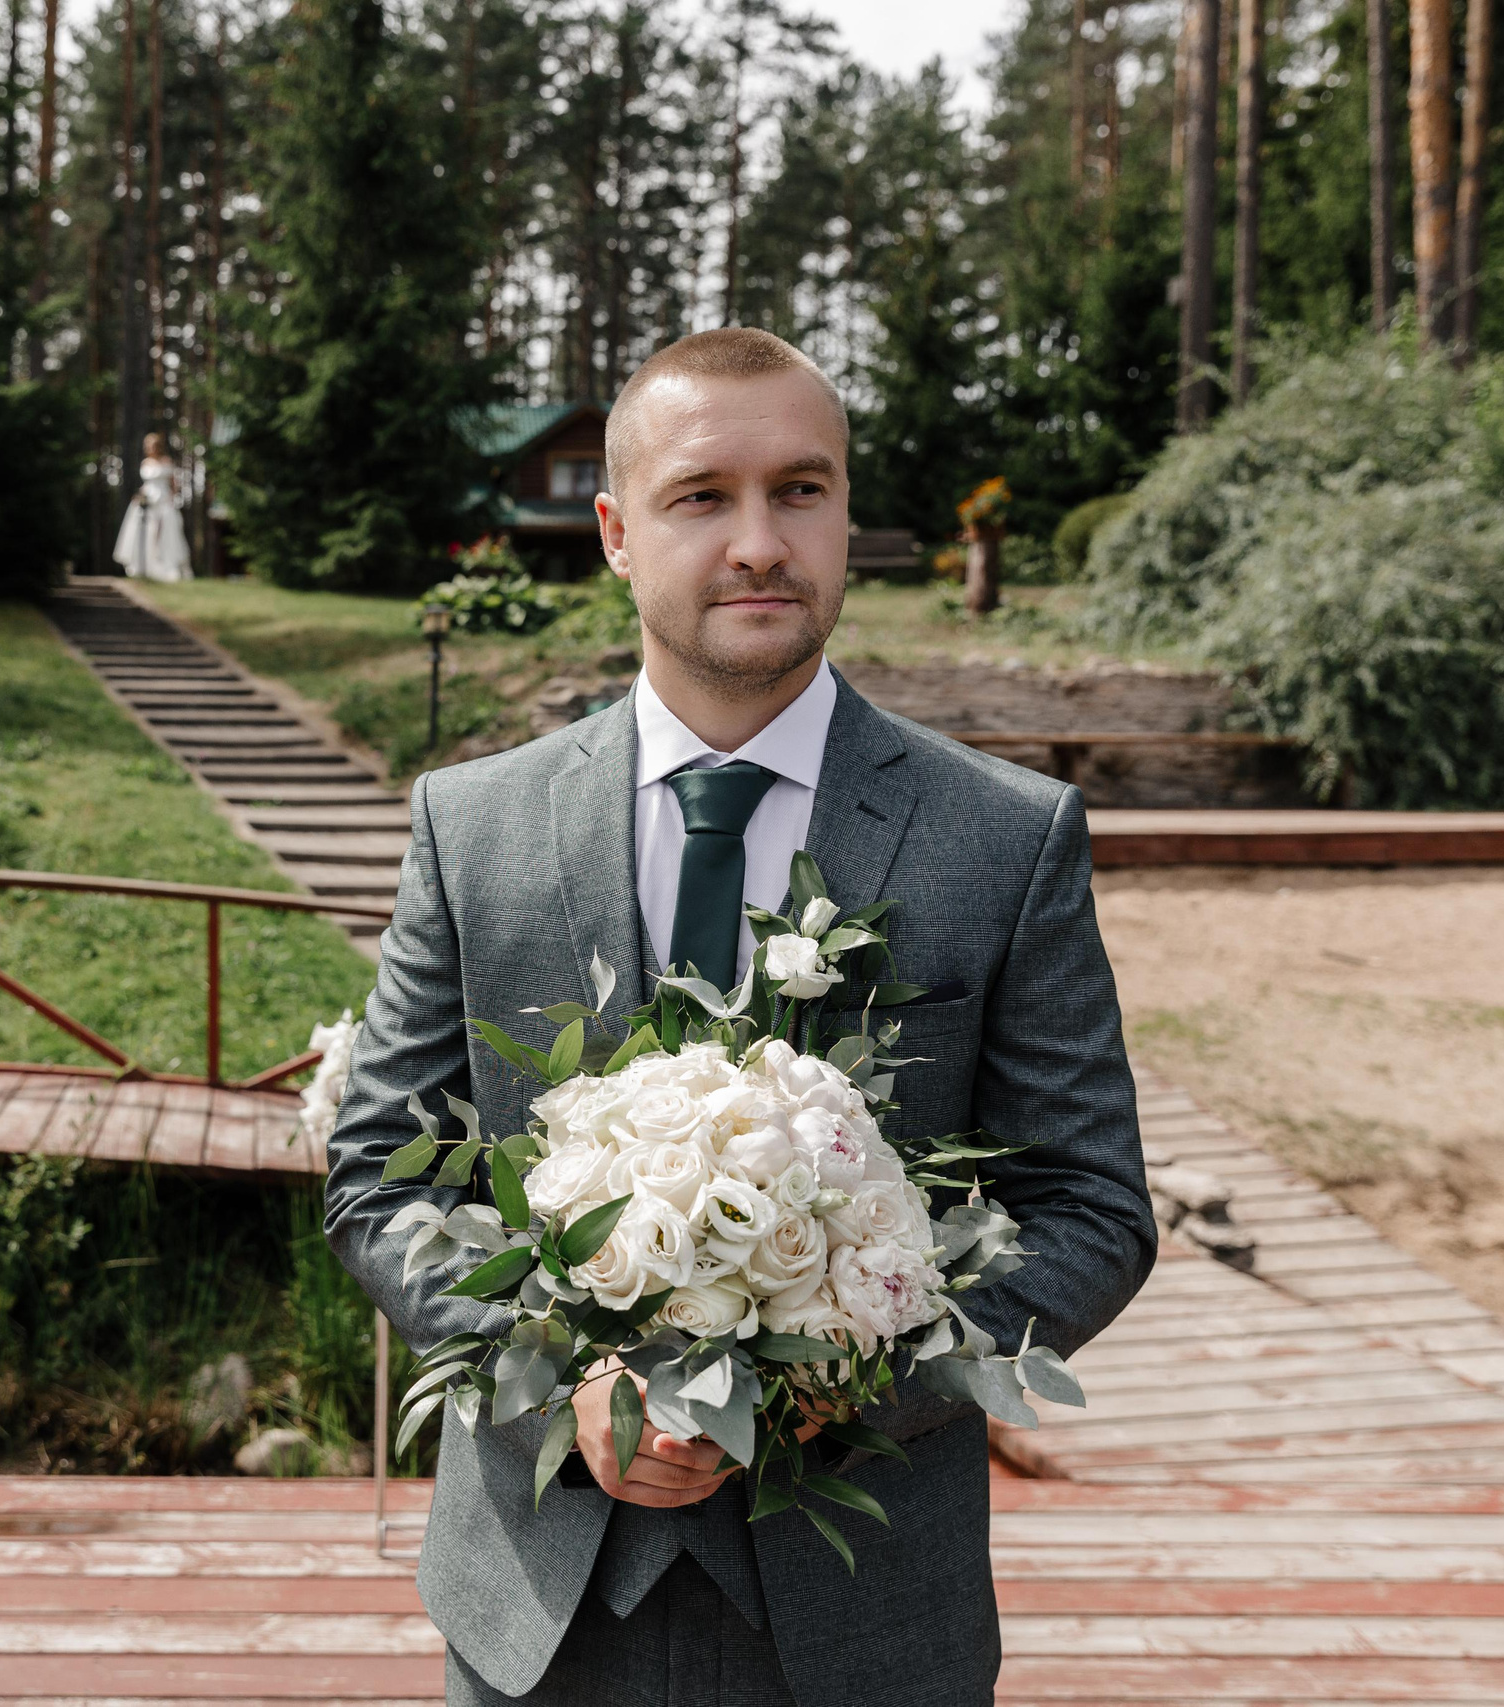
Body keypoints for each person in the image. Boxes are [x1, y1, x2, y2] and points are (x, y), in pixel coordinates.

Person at [322, 328, 1155, 1706]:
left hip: (866, 1619)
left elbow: (1092, 1206)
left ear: (846, 513)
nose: (761, 542)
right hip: (539, 1609)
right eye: (703, 496)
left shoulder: (1004, 838)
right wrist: (556, 1375)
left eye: (801, 490)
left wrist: (833, 1376)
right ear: (615, 532)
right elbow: (377, 1173)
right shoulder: (472, 828)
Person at [113, 432, 192, 581]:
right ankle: (144, 565)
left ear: (158, 446)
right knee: (145, 531)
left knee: (167, 531)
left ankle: (167, 565)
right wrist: (140, 496)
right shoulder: (145, 463)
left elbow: (174, 484)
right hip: (148, 500)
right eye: (148, 445)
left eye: (153, 445)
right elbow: (146, 484)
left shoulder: (167, 461)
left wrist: (172, 498)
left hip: (164, 500)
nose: (150, 448)